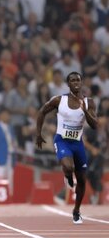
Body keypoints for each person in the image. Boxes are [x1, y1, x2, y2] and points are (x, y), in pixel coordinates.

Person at [36, 72, 98, 223]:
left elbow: (94, 125)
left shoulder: (89, 102)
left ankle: (76, 211)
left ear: (81, 83)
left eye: (78, 80)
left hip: (77, 144)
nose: (76, 82)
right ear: (68, 84)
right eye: (72, 80)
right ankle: (68, 175)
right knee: (68, 167)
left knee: (82, 180)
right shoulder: (59, 100)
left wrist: (84, 111)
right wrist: (39, 134)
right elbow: (42, 111)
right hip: (62, 140)